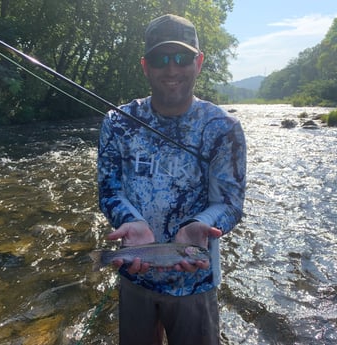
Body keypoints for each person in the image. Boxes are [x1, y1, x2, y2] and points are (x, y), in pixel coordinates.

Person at [97, 13, 246, 345]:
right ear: (145, 66)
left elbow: (230, 202)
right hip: (135, 275)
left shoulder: (224, 128)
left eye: (182, 58)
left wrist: (200, 226)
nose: (172, 69)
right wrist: (129, 221)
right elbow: (109, 189)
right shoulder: (117, 122)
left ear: (199, 62)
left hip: (196, 282)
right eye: (161, 59)